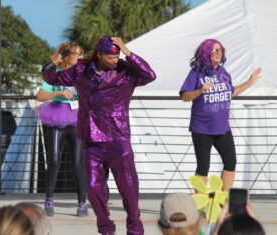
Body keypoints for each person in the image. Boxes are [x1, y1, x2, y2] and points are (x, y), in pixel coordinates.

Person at [42, 35, 156, 235]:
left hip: (117, 137)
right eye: (111, 56)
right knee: (94, 188)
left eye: (117, 55)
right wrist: (52, 65)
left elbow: (150, 75)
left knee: (128, 187)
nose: (115, 59)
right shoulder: (81, 70)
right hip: (91, 138)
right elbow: (53, 79)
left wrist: (128, 52)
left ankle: (134, 226)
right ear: (100, 54)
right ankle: (105, 228)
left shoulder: (126, 70)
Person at [179, 39, 262, 191]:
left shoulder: (223, 72)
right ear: (205, 52)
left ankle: (223, 201)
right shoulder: (196, 73)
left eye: (220, 50)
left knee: (231, 161)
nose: (218, 53)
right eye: (214, 50)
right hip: (202, 128)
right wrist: (200, 90)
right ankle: (200, 205)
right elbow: (184, 97)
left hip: (222, 127)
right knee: (203, 166)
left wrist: (250, 82)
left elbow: (231, 93)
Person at [36, 42, 88, 217]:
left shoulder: (83, 73)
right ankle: (49, 199)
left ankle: (82, 203)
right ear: (66, 55)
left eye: (81, 54)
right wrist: (57, 93)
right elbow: (40, 96)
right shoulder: (55, 74)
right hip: (56, 118)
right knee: (54, 160)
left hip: (77, 119)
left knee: (77, 163)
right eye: (75, 54)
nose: (79, 57)